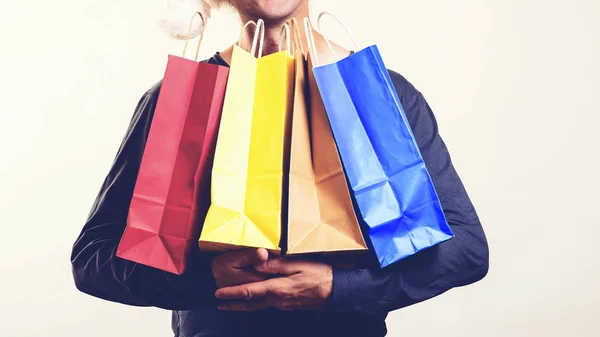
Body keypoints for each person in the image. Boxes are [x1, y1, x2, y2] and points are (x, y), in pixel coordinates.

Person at [70, 0, 489, 336]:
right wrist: (206, 281)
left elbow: (466, 249)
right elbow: (91, 259)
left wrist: (339, 287)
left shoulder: (378, 94)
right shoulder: (178, 102)